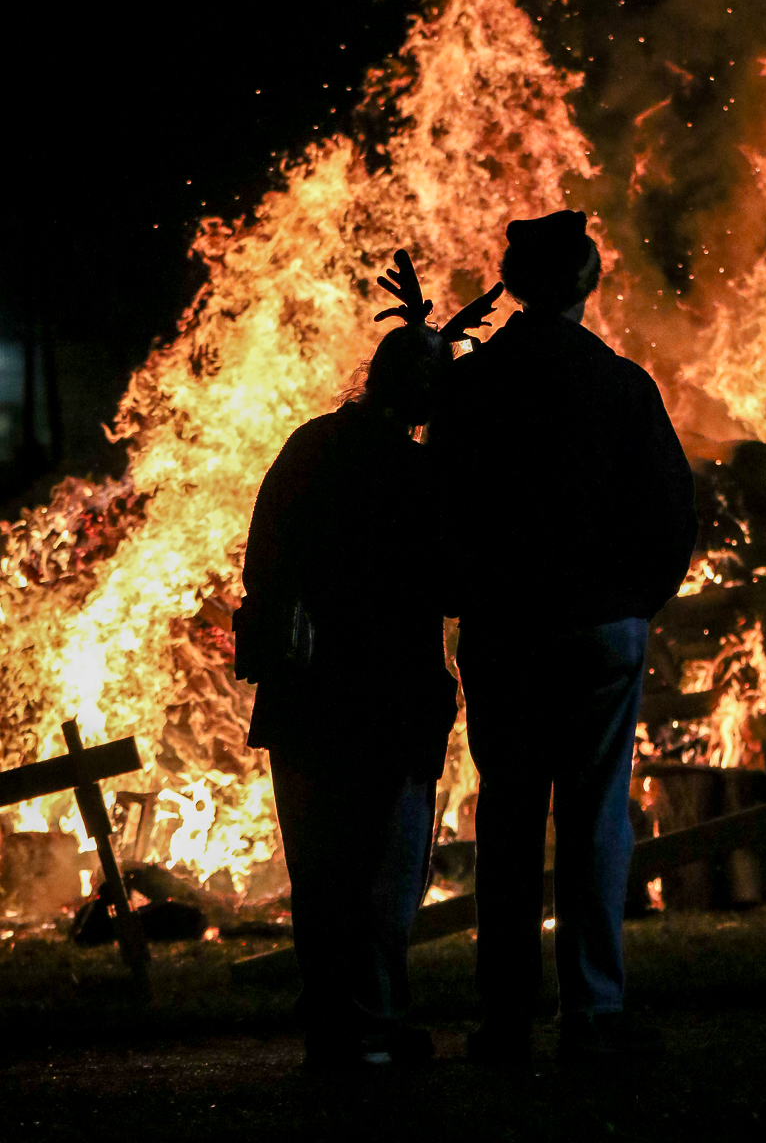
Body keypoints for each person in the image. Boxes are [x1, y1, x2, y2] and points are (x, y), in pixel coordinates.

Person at [428, 209, 698, 1063]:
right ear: (587, 283)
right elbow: (670, 512)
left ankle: (506, 1018)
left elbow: (439, 509)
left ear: (514, 285)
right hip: (598, 630)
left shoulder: (470, 388)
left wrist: (464, 598)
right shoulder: (619, 385)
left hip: (504, 628)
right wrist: (635, 604)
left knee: (508, 816)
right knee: (594, 820)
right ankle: (594, 1012)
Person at [233, 251, 502, 1068]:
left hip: (304, 700)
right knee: (384, 873)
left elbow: (262, 564)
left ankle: (332, 1027)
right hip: (388, 703)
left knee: (320, 873)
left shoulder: (308, 447)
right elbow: (455, 583)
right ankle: (374, 1026)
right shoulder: (421, 474)